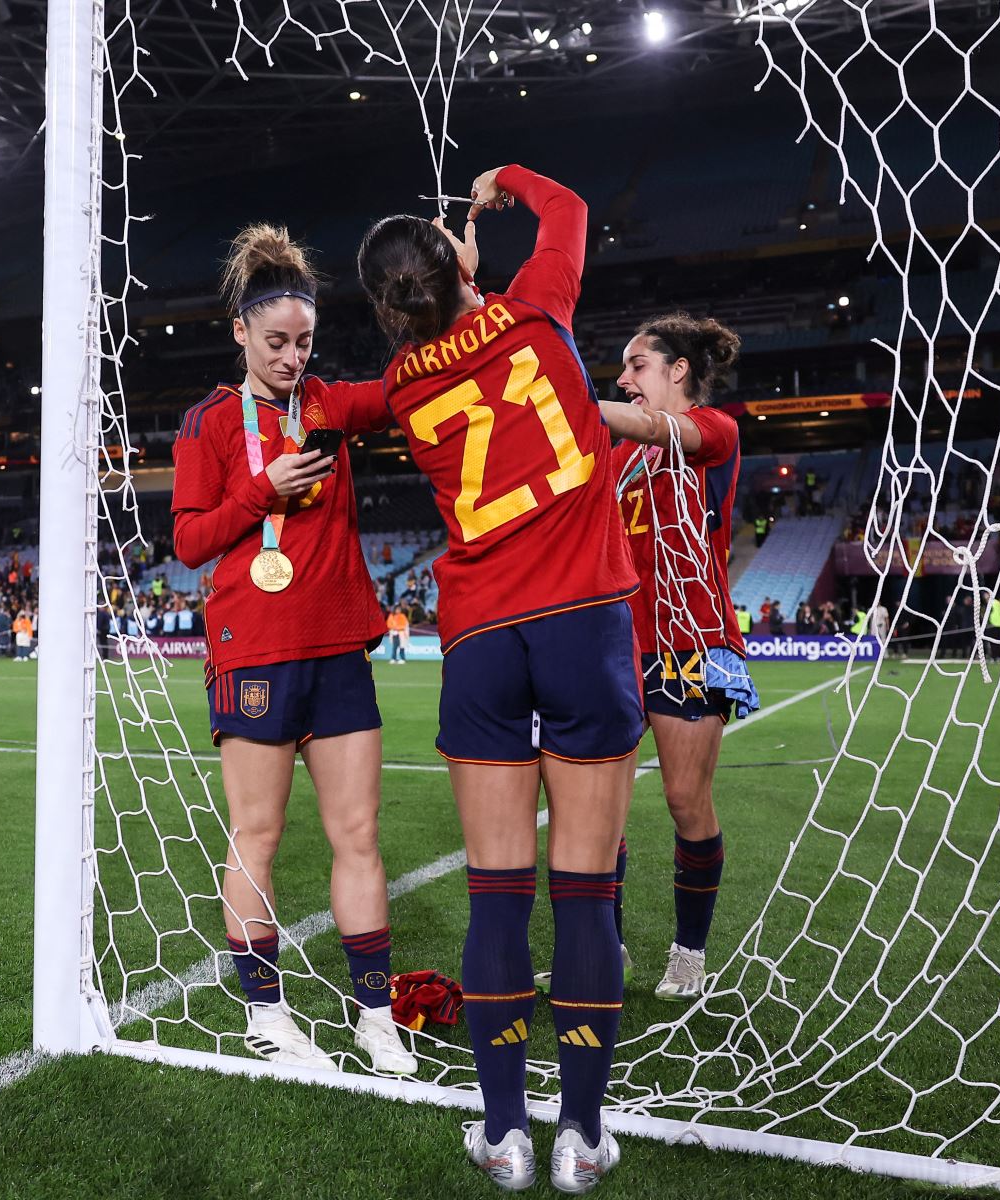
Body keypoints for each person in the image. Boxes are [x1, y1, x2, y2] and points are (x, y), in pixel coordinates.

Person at [358, 163, 637, 1190]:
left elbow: (338, 402)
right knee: (587, 895)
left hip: (478, 640)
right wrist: (501, 187)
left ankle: (506, 1130)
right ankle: (583, 1135)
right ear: (461, 265)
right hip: (583, 623)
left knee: (494, 898)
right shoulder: (537, 308)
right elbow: (569, 206)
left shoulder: (397, 384)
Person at [171, 224, 416, 1078]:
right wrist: (259, 491)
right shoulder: (205, 424)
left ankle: (376, 1015)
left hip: (340, 646)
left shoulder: (329, 404)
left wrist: (444, 300)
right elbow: (193, 542)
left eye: (304, 342)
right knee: (257, 836)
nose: (291, 357)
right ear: (239, 332)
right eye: (275, 342)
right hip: (256, 652)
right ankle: (266, 1013)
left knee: (359, 834)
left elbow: (401, 389)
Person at [590, 311, 759, 1003]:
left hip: (691, 642)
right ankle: (609, 952)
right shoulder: (614, 454)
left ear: (678, 371)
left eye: (637, 366)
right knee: (600, 813)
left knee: (686, 801)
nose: (624, 378)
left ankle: (689, 954)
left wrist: (564, 389)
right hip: (613, 644)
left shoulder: (712, 430)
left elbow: (655, 429)